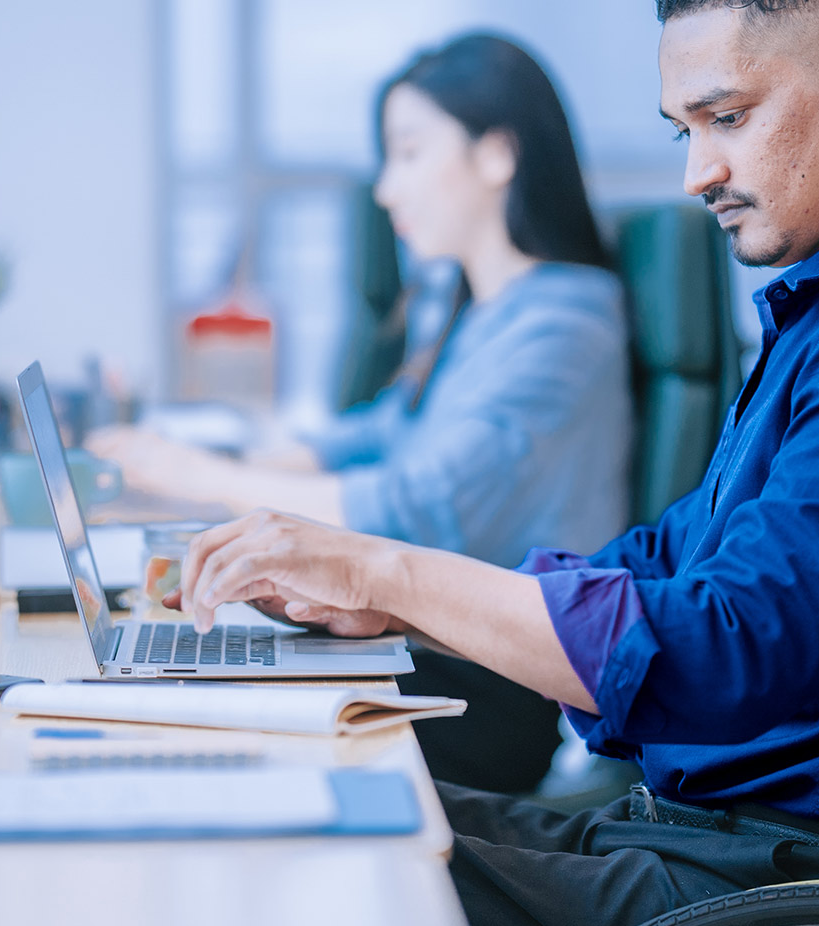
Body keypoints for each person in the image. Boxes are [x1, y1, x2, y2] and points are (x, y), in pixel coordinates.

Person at [165, 0, 819, 926]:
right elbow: (668, 559)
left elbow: (724, 649)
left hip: (788, 891)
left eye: (726, 117)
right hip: (712, 843)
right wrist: (396, 607)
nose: (698, 174)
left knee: (322, 874)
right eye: (684, 130)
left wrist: (389, 573)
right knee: (313, 813)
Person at [89, 33, 632, 572]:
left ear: (495, 156)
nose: (386, 190)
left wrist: (206, 479)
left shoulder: (567, 324)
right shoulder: (479, 312)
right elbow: (383, 433)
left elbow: (415, 508)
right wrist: (197, 470)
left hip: (484, 653)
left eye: (409, 153)